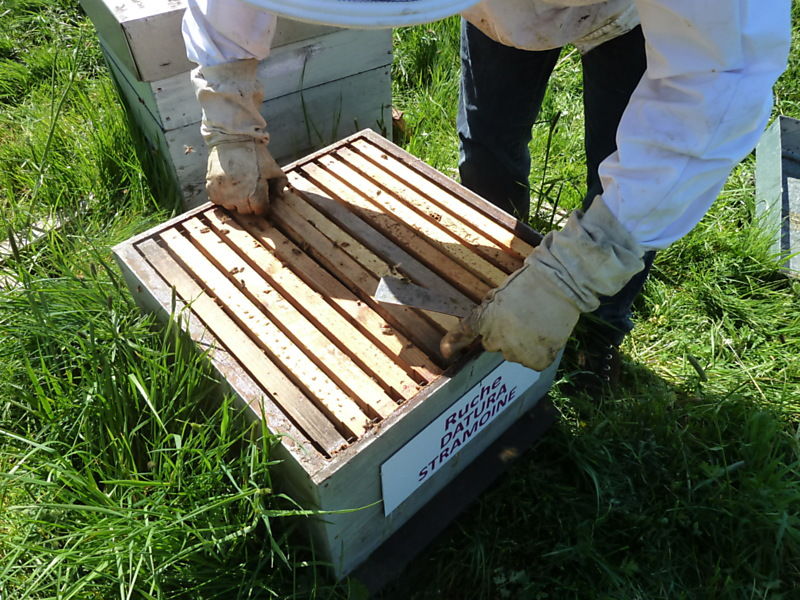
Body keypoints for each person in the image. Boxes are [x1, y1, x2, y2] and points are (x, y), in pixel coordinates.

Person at [181, 0, 790, 385]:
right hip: (499, 12)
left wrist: (581, 268)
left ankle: (597, 330)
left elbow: (717, 79)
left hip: (639, 16)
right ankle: (492, 294)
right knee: (488, 150)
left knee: (617, 171)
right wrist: (228, 113)